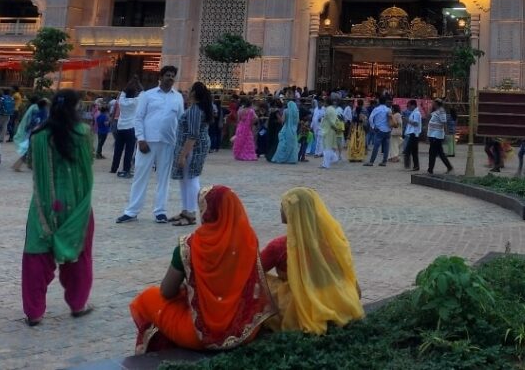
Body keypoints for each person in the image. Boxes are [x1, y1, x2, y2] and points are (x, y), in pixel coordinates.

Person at [129, 185, 277, 354]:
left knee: (148, 298)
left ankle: (155, 353)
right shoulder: (249, 239)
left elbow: (167, 291)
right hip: (246, 330)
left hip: (200, 336)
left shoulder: (190, 245)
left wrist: (187, 290)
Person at [22, 89, 95, 326]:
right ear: (75, 108)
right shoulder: (83, 134)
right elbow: (89, 162)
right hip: (77, 203)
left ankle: (34, 313)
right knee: (79, 255)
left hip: (44, 203)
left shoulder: (38, 135)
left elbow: (32, 164)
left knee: (36, 256)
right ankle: (77, 305)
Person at [260, 188, 364, 334]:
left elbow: (255, 270)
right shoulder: (331, 241)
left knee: (261, 281)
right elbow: (346, 271)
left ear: (292, 213)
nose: (280, 209)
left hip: (299, 306)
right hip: (338, 299)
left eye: (283, 206)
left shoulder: (280, 246)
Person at [116, 65, 184, 224]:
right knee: (140, 176)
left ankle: (160, 211)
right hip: (147, 142)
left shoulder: (178, 98)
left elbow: (181, 121)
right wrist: (140, 139)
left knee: (163, 178)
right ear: (161, 77)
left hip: (168, 143)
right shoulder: (148, 95)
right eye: (167, 75)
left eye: (173, 75)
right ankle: (132, 211)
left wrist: (179, 144)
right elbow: (138, 118)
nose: (170, 78)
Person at [170, 82, 213, 227]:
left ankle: (192, 212)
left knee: (192, 178)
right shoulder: (196, 108)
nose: (186, 93)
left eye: (189, 90)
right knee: (185, 179)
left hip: (194, 148)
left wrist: (183, 154)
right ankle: (186, 210)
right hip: (191, 147)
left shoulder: (195, 110)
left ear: (194, 93)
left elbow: (193, 135)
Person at [110, 80, 141, 177]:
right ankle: (126, 168)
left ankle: (114, 168)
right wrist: (137, 82)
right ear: (135, 93)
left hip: (120, 127)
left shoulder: (121, 101)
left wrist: (130, 82)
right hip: (131, 128)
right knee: (129, 150)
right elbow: (143, 91)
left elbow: (123, 91)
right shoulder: (136, 102)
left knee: (118, 150)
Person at [11, 94, 43, 171]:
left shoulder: (32, 107)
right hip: (33, 130)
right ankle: (17, 166)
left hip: (29, 130)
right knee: (29, 148)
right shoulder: (36, 108)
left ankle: (28, 164)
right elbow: (35, 120)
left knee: (30, 149)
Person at [426, 99, 453, 174]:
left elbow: (444, 123)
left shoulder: (441, 111)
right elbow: (428, 116)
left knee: (432, 153)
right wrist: (430, 108)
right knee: (440, 153)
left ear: (437, 104)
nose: (432, 104)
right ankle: (449, 167)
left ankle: (430, 169)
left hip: (436, 135)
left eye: (433, 103)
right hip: (433, 135)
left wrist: (445, 133)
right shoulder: (436, 111)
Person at [363, 96, 391, 166]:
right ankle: (384, 161)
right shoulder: (388, 109)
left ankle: (371, 162)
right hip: (387, 130)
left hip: (379, 129)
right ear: (385, 102)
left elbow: (370, 118)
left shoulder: (377, 109)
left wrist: (373, 126)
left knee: (376, 146)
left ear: (379, 101)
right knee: (386, 147)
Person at [272, 98, 300, 164]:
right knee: (292, 145)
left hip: (286, 128)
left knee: (283, 144)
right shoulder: (296, 111)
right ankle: (291, 159)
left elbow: (283, 120)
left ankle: (281, 158)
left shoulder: (286, 111)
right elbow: (297, 121)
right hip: (293, 130)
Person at [320, 97, 342, 170]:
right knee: (327, 147)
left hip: (328, 130)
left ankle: (327, 164)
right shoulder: (332, 109)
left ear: (326, 102)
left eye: (324, 102)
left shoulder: (329, 110)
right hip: (329, 130)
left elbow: (331, 121)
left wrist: (336, 128)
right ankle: (326, 163)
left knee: (327, 148)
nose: (323, 104)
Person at [403, 99, 422, 171]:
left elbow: (416, 123)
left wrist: (407, 120)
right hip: (413, 133)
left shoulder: (416, 113)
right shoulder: (414, 112)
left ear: (413, 105)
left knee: (408, 150)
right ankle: (415, 166)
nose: (408, 107)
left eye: (409, 106)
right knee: (414, 151)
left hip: (414, 133)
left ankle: (408, 165)